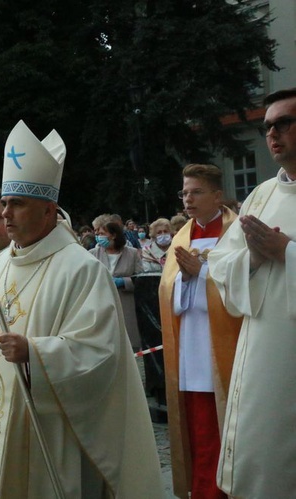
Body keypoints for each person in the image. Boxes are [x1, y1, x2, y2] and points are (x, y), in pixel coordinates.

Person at [0, 120, 162, 497]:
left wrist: (34, 353)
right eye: (4, 203)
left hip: (47, 432)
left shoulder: (81, 269)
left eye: (17, 204)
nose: (5, 214)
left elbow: (99, 354)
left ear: (49, 210)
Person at [208, 88, 296, 497]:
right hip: (262, 346)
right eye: (267, 127)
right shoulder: (260, 195)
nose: (273, 134)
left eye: (284, 123)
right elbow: (222, 263)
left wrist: (287, 252)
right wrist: (255, 260)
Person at [159, 164, 242, 499]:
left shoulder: (235, 231)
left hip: (226, 347)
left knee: (225, 431)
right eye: (184, 192)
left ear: (217, 195)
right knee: (198, 430)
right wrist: (185, 277)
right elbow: (166, 290)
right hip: (190, 348)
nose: (187, 199)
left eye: (196, 192)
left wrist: (204, 274)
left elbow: (245, 286)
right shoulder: (181, 236)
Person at [90, 218, 143, 349]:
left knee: (127, 344)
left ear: (113, 235)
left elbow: (141, 279)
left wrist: (124, 282)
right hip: (101, 304)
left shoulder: (132, 253)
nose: (98, 237)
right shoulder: (92, 254)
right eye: (97, 234)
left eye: (102, 234)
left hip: (125, 304)